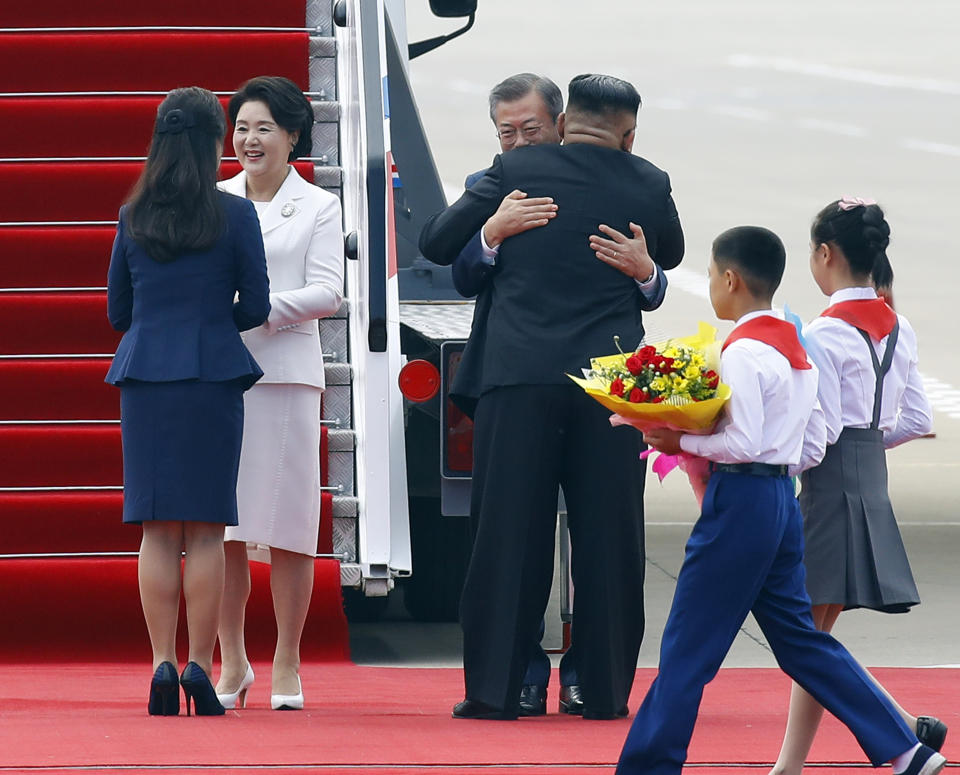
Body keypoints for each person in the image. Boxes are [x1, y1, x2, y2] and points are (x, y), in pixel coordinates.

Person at [617, 226, 947, 775]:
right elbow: (816, 439)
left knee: (687, 651)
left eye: (712, 277)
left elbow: (742, 441)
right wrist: (772, 466)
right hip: (777, 503)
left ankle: (648, 767)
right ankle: (905, 749)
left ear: (730, 279)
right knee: (801, 643)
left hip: (741, 500)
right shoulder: (798, 346)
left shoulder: (744, 350)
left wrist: (681, 441)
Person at [420, 73, 684, 721]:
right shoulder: (648, 180)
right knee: (611, 535)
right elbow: (669, 254)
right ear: (629, 134)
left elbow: (433, 241)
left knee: (507, 536)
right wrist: (645, 269)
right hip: (614, 381)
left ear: (564, 122)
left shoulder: (515, 169)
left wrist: (490, 218)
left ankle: (502, 688)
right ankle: (599, 688)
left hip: (519, 377)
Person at [105, 86, 271, 717]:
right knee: (205, 530)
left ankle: (160, 666)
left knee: (154, 530)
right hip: (211, 377)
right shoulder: (233, 214)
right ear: (212, 141)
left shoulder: (133, 215)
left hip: (146, 377)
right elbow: (254, 307)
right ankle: (202, 663)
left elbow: (120, 311)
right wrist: (210, 316)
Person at [769, 199, 945, 775]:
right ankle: (905, 730)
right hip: (869, 486)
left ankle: (800, 767)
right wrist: (867, 447)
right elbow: (917, 419)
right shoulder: (901, 325)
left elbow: (813, 436)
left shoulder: (821, 332)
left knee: (809, 641)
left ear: (824, 254)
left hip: (825, 490)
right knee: (815, 635)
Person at [215, 76, 345, 712]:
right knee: (227, 529)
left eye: (264, 127)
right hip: (222, 380)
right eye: (242, 127)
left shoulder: (317, 206)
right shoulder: (214, 198)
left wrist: (255, 310)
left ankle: (287, 660)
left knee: (291, 528)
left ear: (293, 136)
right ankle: (233, 660)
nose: (249, 139)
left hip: (287, 376)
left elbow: (328, 292)